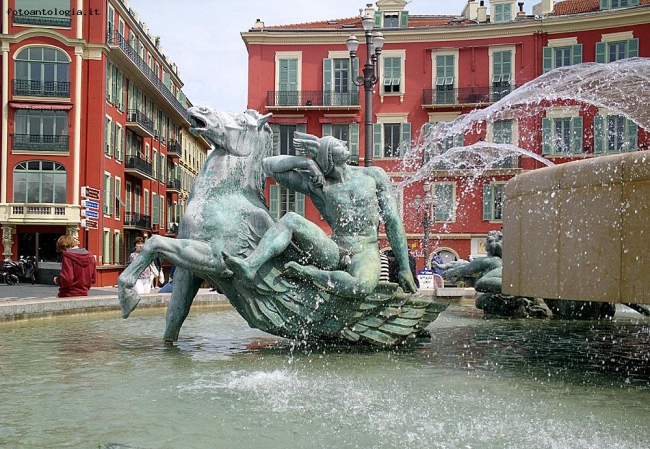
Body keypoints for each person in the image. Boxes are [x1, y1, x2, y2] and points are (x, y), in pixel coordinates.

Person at [223, 131, 417, 298]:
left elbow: (392, 220)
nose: (345, 143)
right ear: (328, 154)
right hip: (334, 249)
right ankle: (250, 265)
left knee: (362, 286)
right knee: (291, 219)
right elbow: (268, 165)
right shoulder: (318, 185)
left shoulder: (373, 175)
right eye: (338, 143)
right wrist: (305, 162)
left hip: (365, 251)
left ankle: (308, 274)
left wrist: (404, 268)